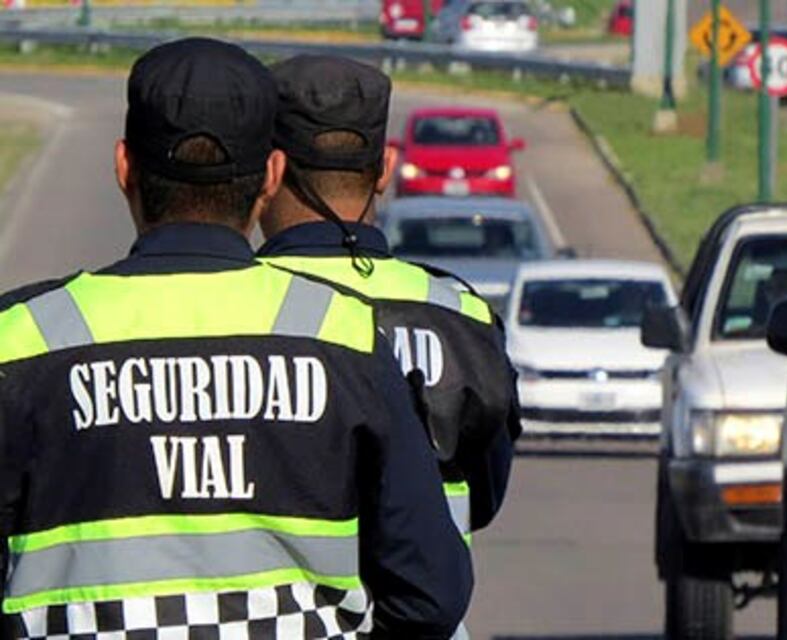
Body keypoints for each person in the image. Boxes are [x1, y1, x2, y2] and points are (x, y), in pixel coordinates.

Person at [0, 38, 471, 638]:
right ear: (272, 176)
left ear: (124, 167)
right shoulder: (345, 335)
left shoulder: (20, 341)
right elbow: (430, 595)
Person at [259, 55, 522, 541]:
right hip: (431, 614)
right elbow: (484, 500)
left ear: (268, 171)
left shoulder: (225, 317)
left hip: (281, 616)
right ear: (385, 169)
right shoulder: (465, 319)